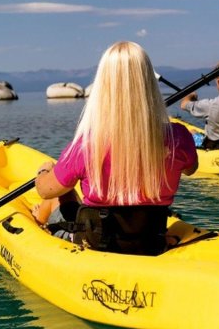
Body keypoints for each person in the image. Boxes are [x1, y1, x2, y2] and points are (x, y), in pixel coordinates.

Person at [32, 41, 198, 256]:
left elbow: (45, 190)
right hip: (150, 241)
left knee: (59, 195)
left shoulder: (86, 144)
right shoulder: (179, 137)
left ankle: (38, 222)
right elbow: (190, 169)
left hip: (96, 243)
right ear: (148, 82)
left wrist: (44, 171)